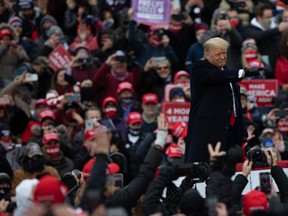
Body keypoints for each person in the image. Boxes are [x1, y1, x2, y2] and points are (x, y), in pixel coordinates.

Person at [185, 37, 261, 163]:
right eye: (218, 54)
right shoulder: (200, 68)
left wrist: (242, 132)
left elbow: (235, 102)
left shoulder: (226, 69)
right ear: (206, 54)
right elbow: (215, 76)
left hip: (231, 131)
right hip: (209, 132)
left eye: (224, 53)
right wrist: (242, 72)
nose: (222, 57)